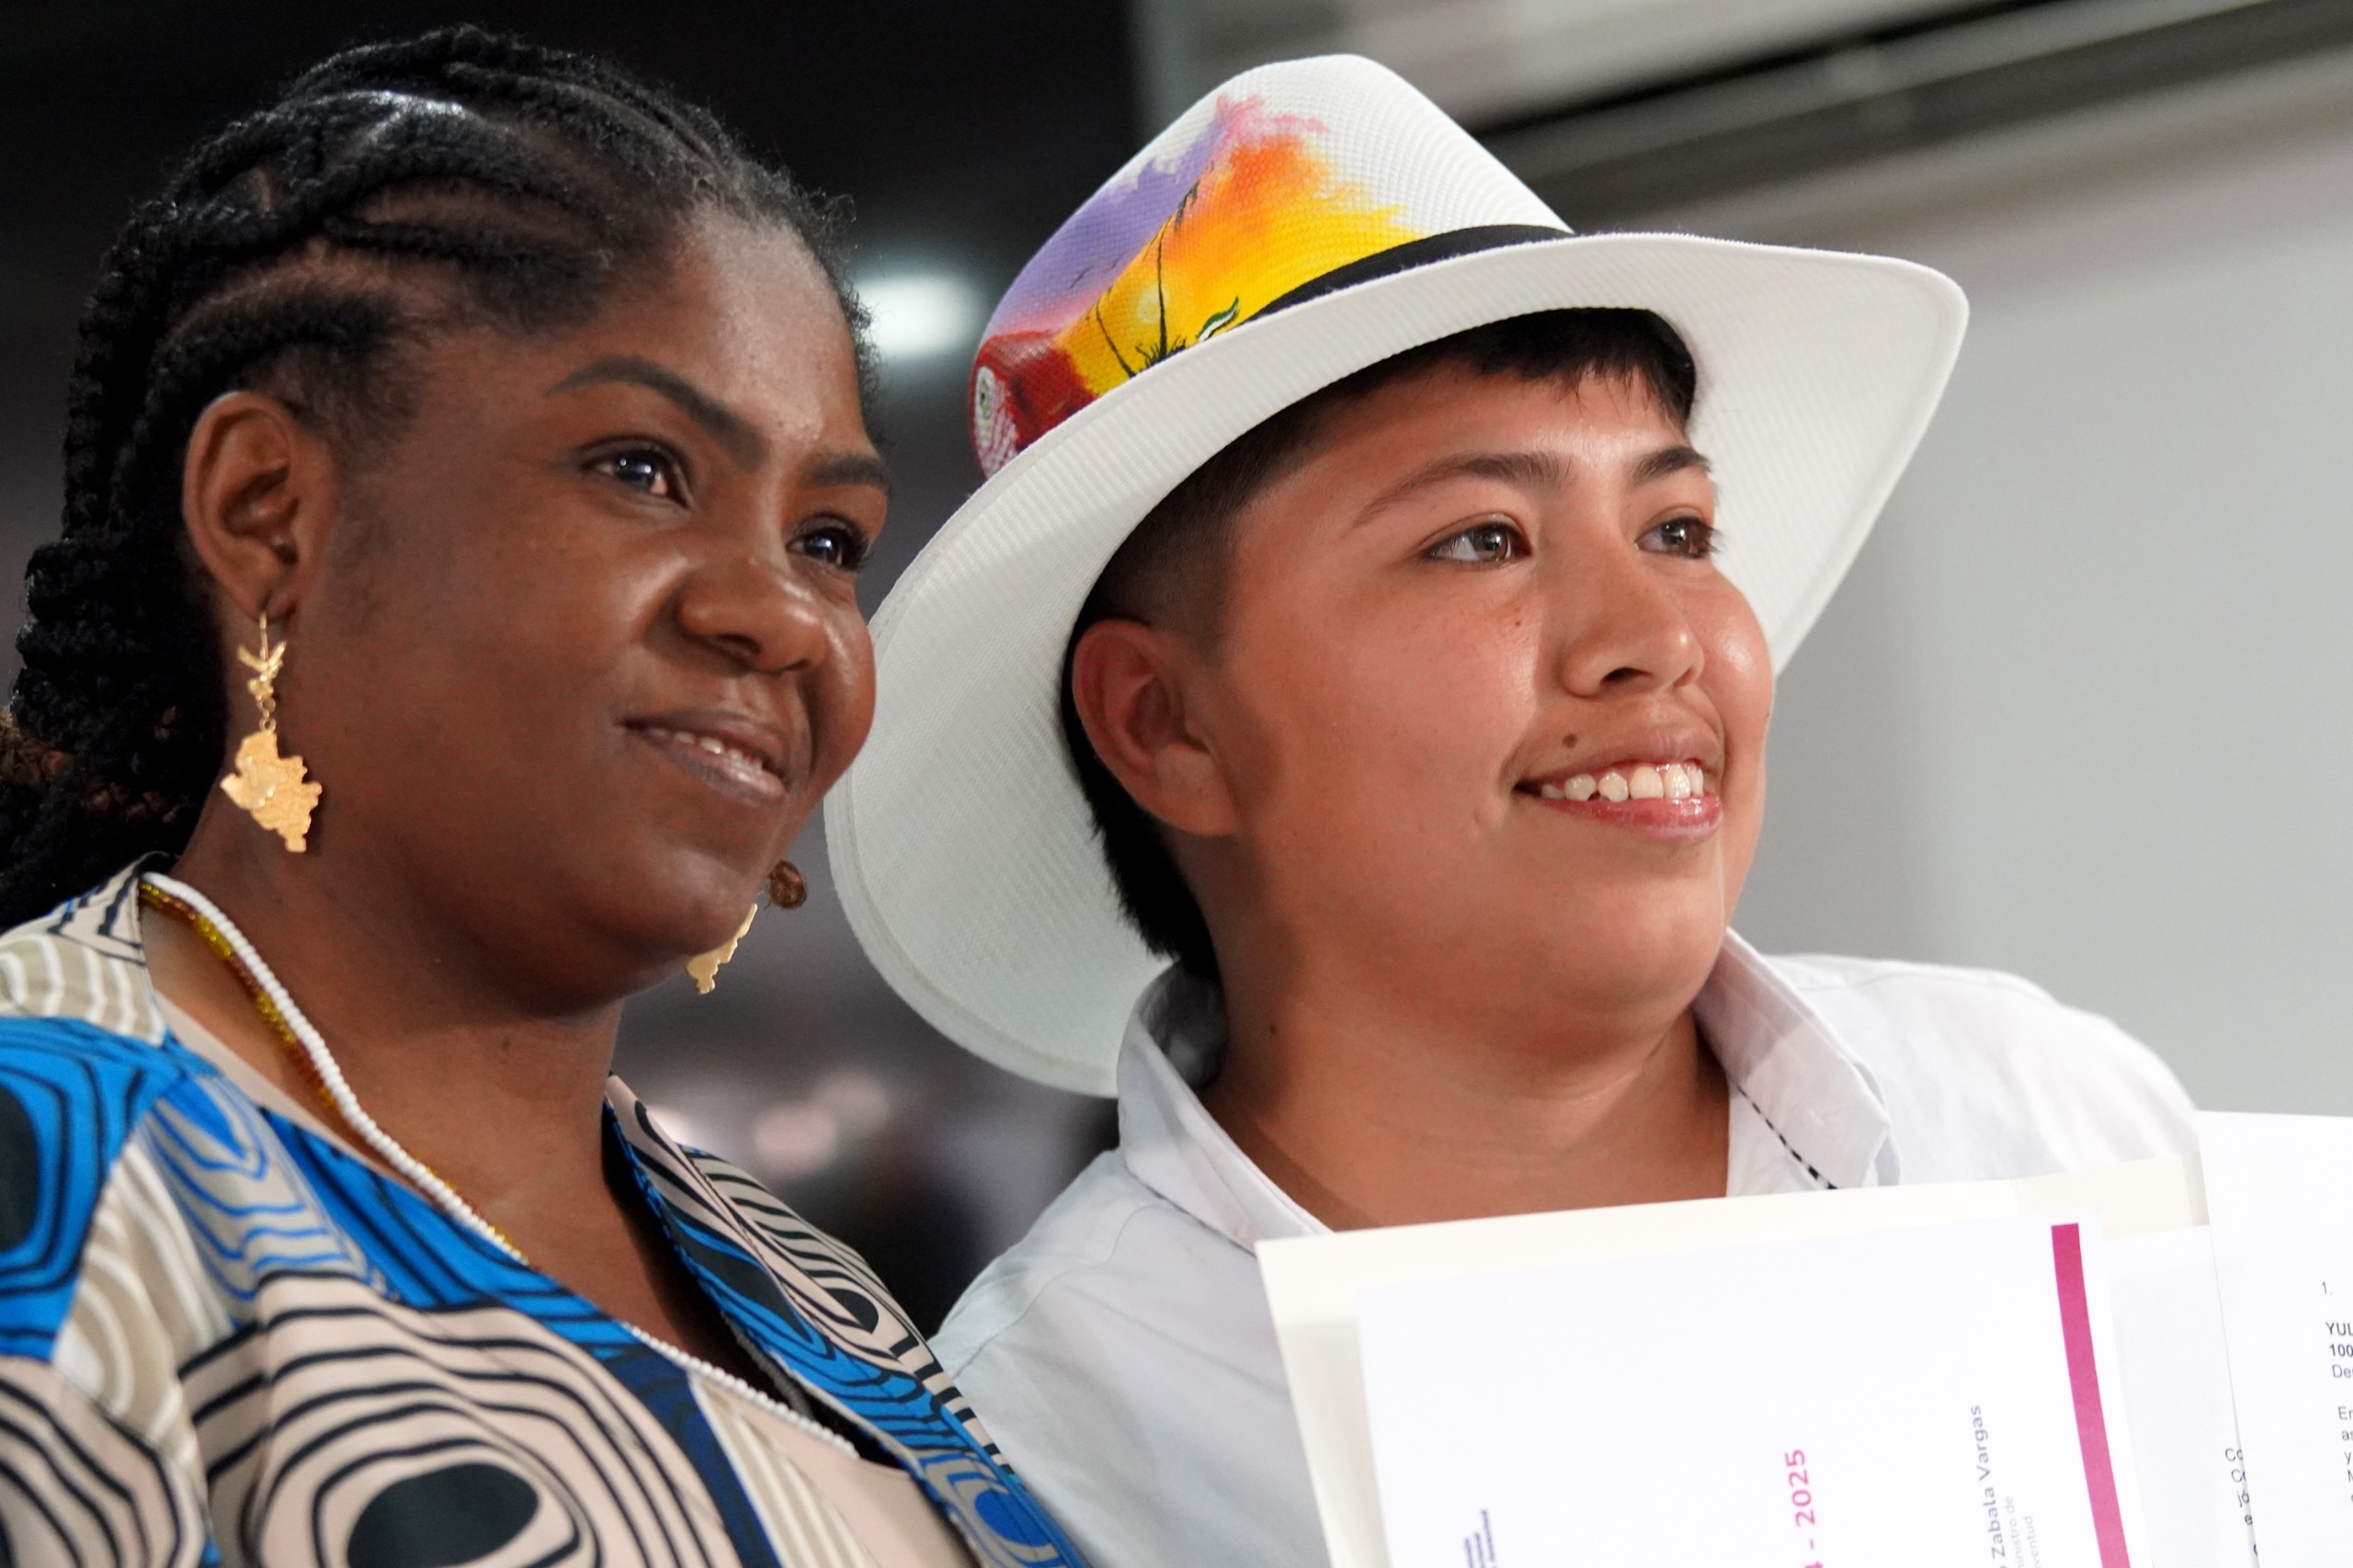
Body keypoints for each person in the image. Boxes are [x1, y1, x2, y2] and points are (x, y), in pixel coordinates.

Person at [825, 55, 2196, 1568]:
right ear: (1169, 722)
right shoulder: (1046, 1453)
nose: (1656, 633)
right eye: (1483, 538)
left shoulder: (2042, 1119)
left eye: (1678, 526)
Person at [0, 28, 1085, 1568]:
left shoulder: (792, 1276)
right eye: (641, 468)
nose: (780, 616)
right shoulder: (54, 1159)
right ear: (267, 511)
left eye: (830, 540)